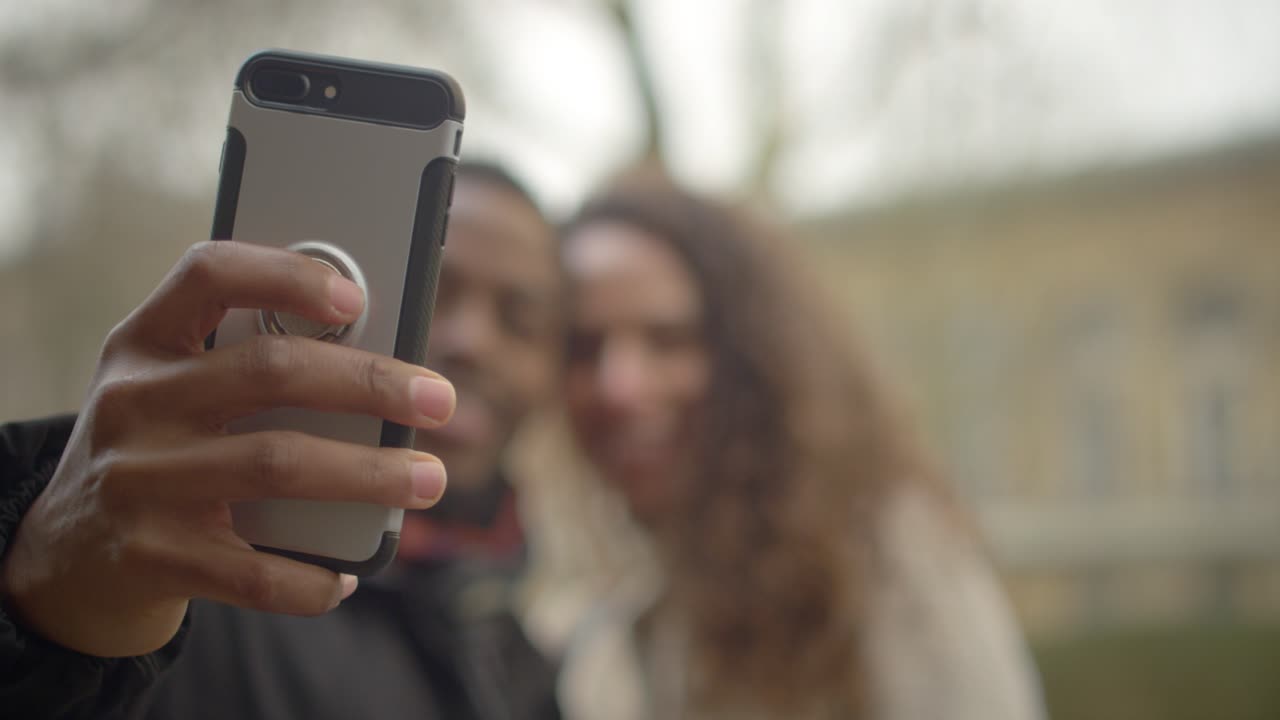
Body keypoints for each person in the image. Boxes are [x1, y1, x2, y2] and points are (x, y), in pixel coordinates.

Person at [0, 162, 564, 720]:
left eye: (521, 320)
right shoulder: (187, 561)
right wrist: (43, 607)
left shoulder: (532, 663)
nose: (472, 342)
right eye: (433, 293)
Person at [554, 182, 1046, 719]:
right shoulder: (593, 590)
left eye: (669, 340)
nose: (619, 387)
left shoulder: (882, 555)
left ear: (749, 361)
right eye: (583, 348)